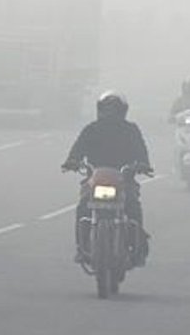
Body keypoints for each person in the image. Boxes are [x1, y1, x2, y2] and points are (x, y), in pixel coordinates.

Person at [61, 92, 153, 266]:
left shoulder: (130, 130)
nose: (111, 113)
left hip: (124, 180)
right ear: (100, 110)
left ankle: (138, 248)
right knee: (83, 208)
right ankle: (82, 247)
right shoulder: (91, 129)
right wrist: (72, 161)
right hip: (95, 179)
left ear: (122, 111)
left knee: (133, 207)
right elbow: (78, 148)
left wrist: (143, 164)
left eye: (115, 110)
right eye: (107, 109)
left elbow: (141, 150)